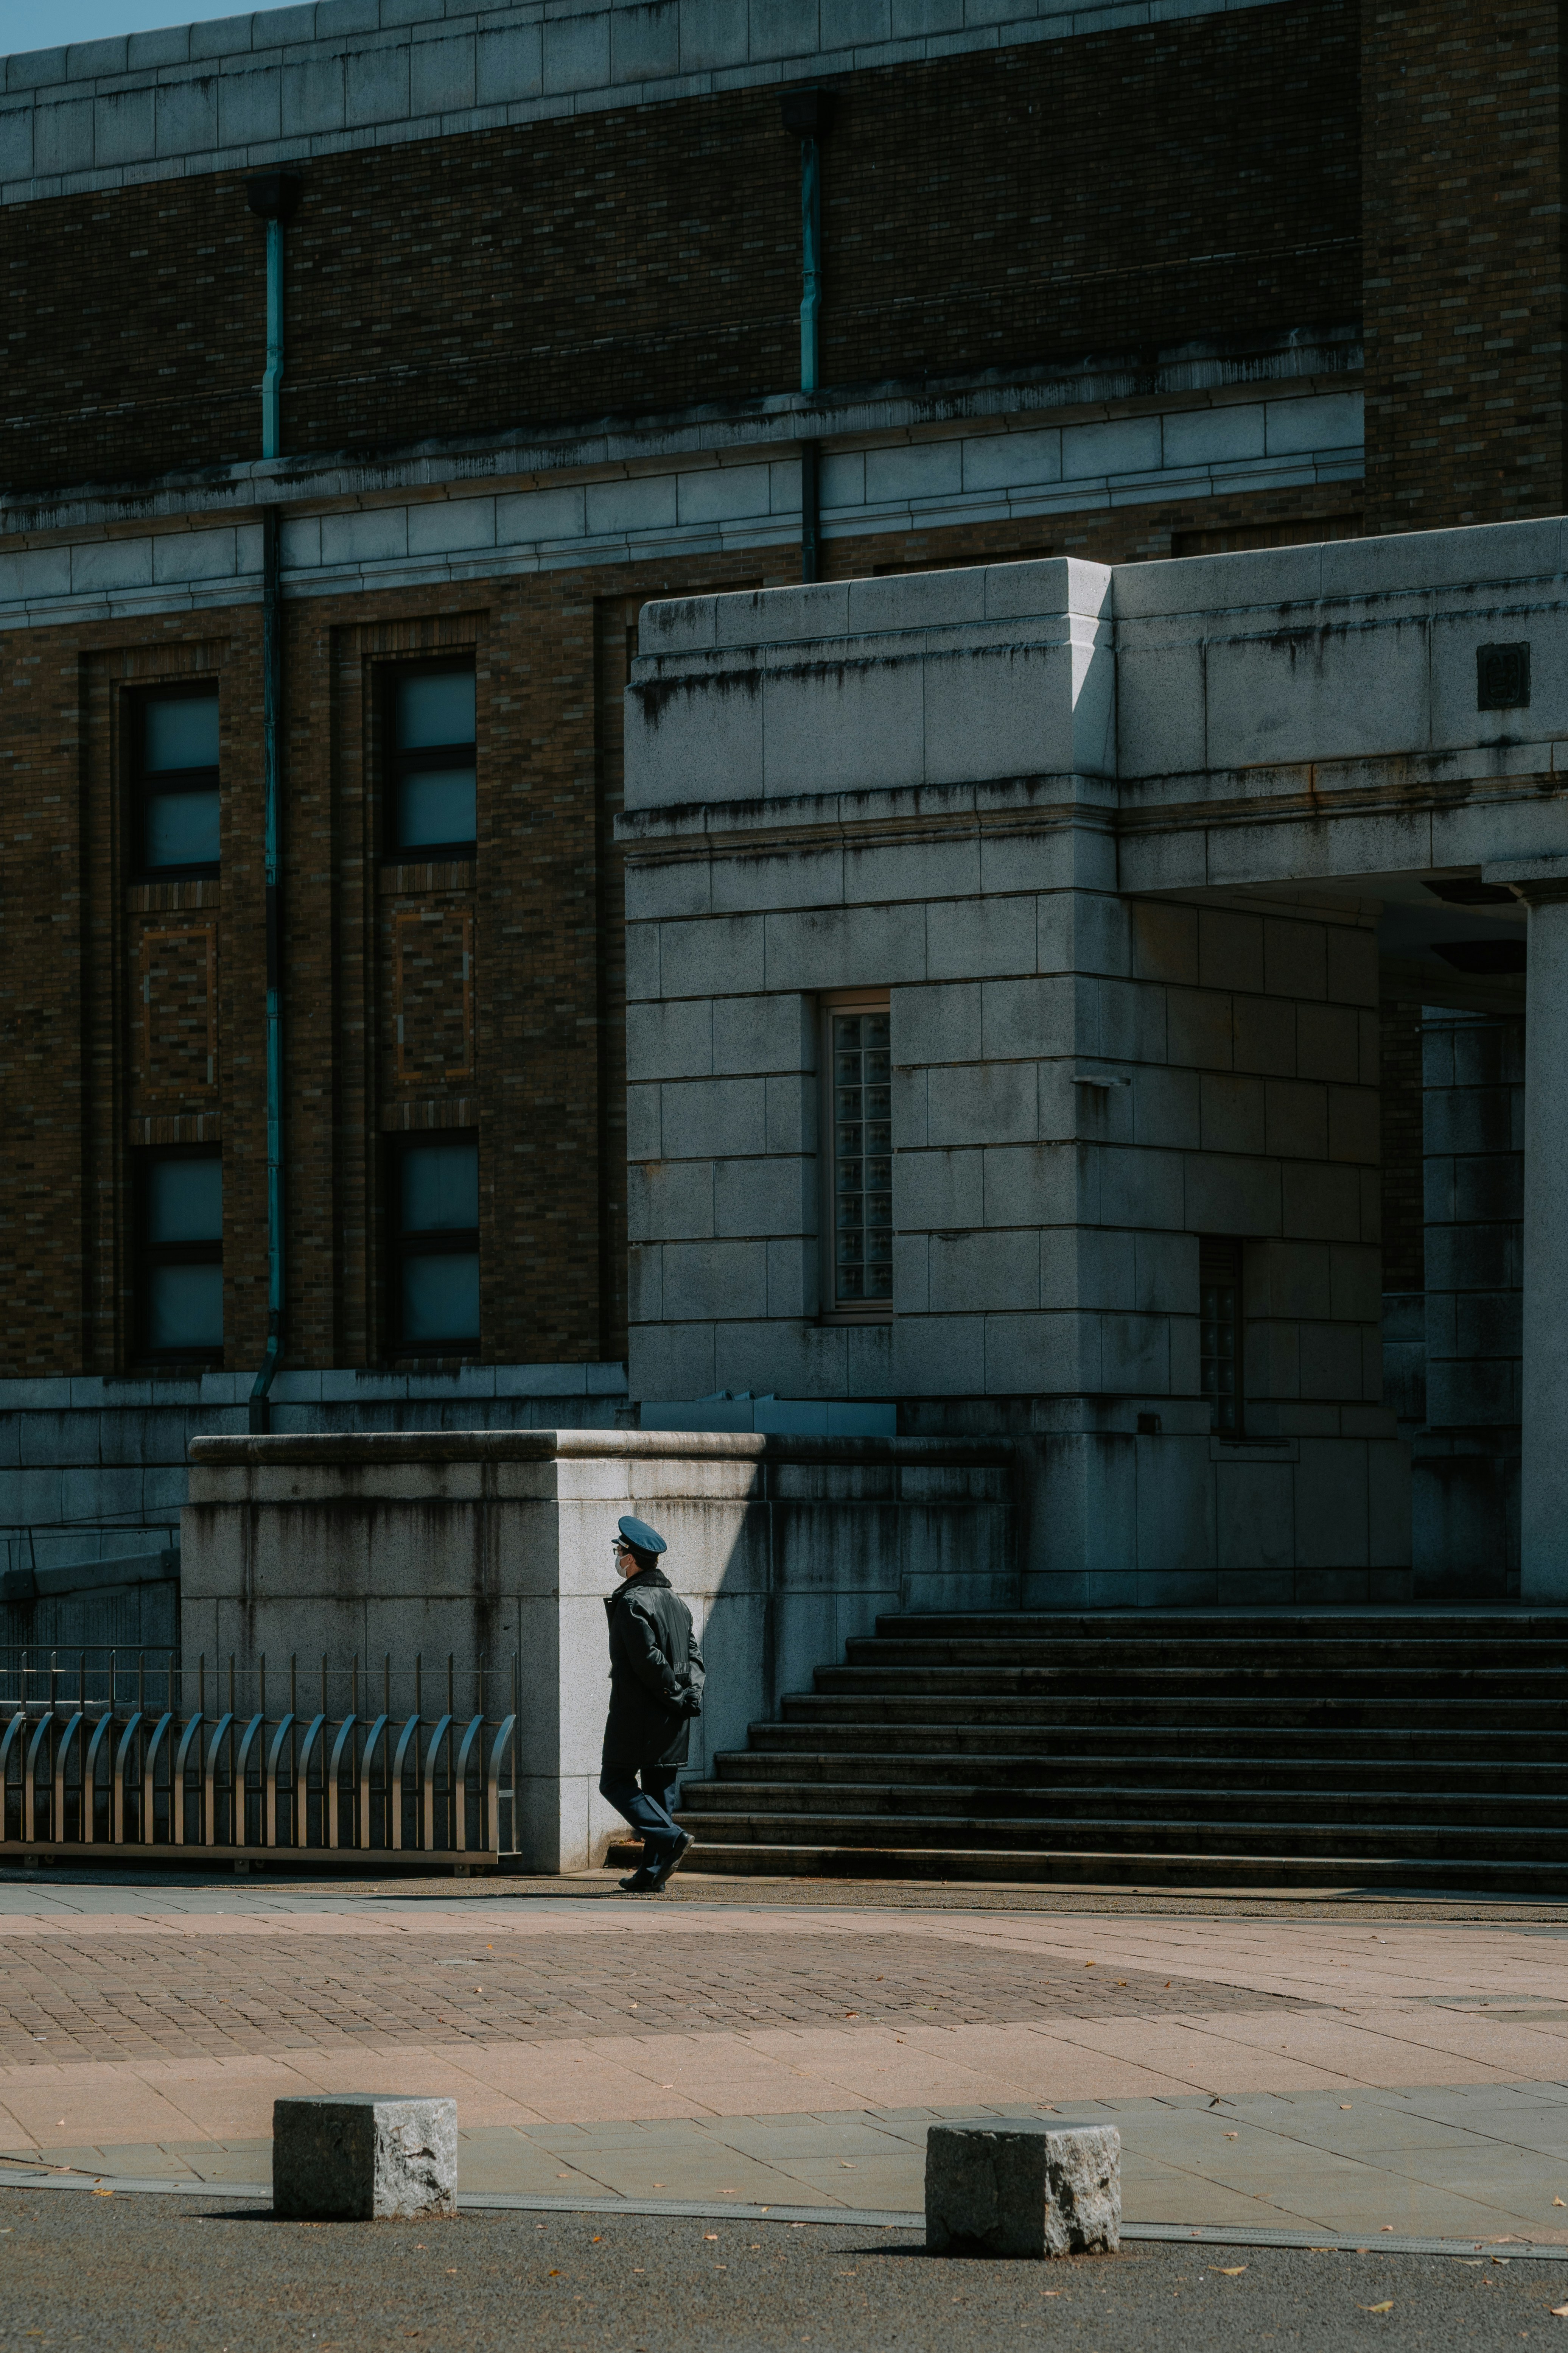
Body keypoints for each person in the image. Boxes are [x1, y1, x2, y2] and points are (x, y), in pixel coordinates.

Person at [599, 1514, 705, 1894]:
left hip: (640, 1712)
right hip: (674, 1712)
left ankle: (672, 1837)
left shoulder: (631, 1601)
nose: (616, 1557)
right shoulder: (675, 1600)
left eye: (618, 1551)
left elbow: (647, 1661)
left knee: (614, 1781)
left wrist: (674, 1694)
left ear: (631, 1558)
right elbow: (693, 1655)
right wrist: (689, 1695)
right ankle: (652, 1874)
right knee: (660, 1789)